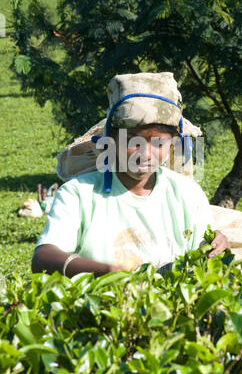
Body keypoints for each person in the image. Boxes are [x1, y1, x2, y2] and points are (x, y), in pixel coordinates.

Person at [32, 72, 229, 278]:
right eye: (132, 141)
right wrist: (112, 273)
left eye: (159, 143)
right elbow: (43, 257)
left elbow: (202, 263)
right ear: (111, 138)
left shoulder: (186, 194)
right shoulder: (79, 194)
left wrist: (215, 246)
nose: (145, 154)